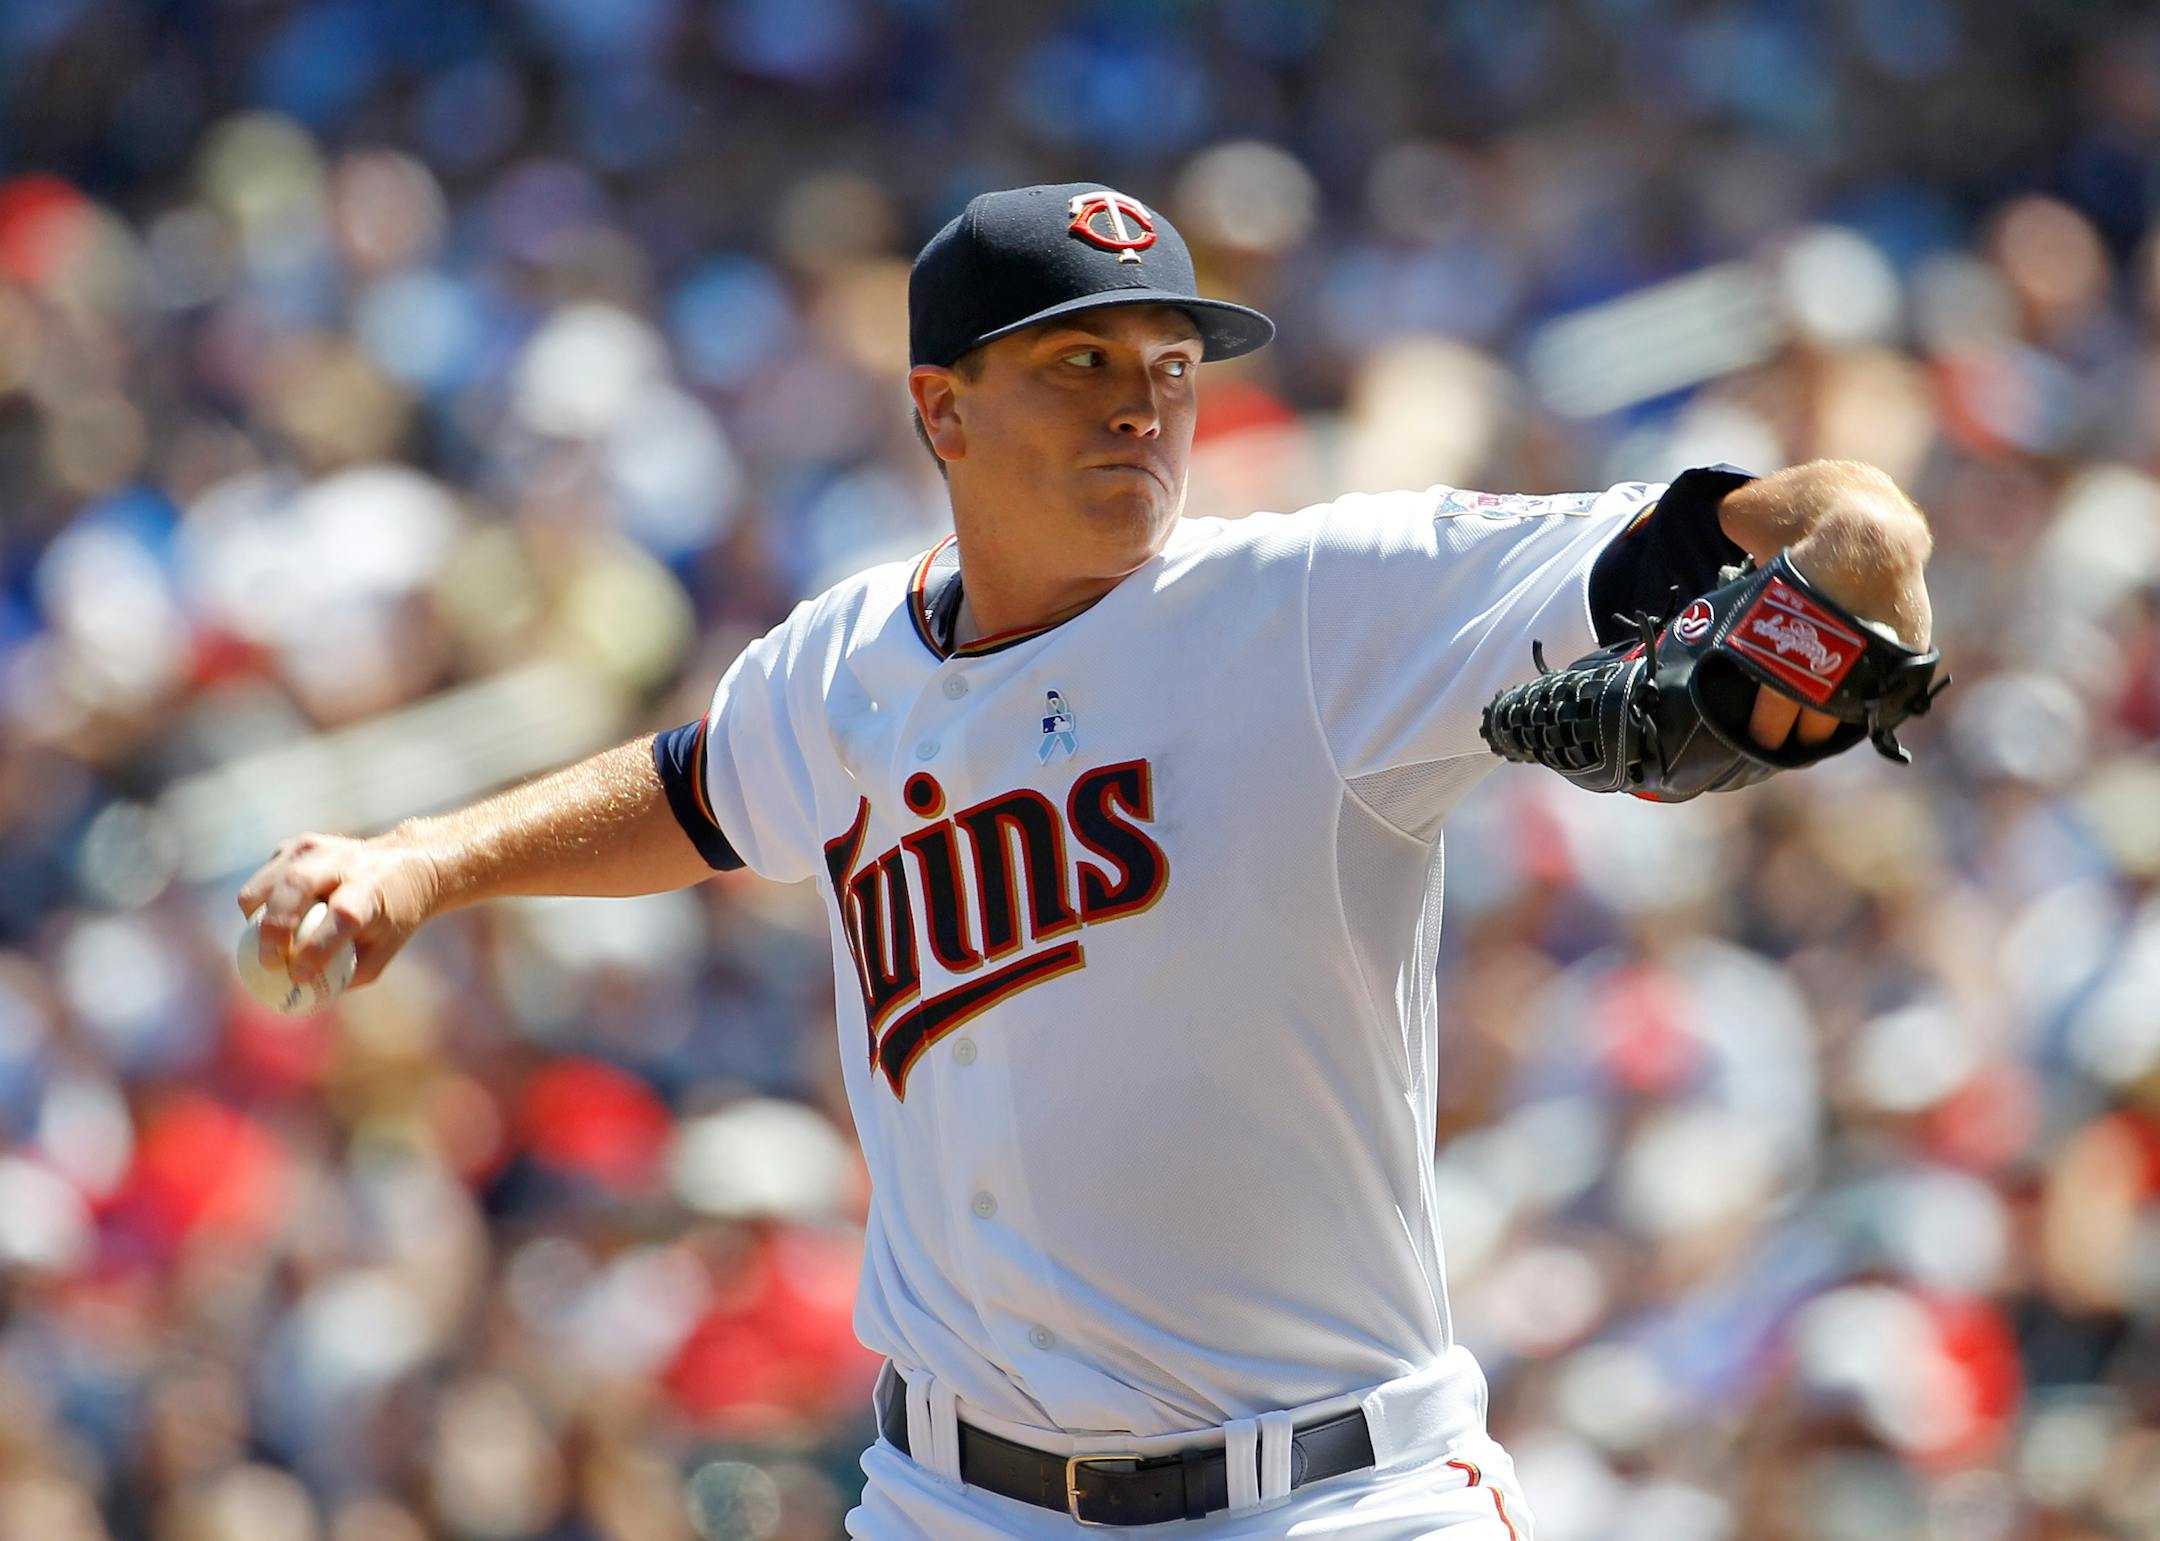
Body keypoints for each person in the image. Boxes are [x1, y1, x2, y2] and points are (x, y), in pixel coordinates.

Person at [240, 183, 1935, 1537]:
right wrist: (426, 858)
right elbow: (694, 790)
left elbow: (1815, 532)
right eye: (1080, 363)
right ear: (939, 407)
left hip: (1332, 1491)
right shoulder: (843, 666)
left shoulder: (1321, 606)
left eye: (1171, 367)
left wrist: (1853, 562)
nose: (1143, 407)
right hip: (953, 1496)